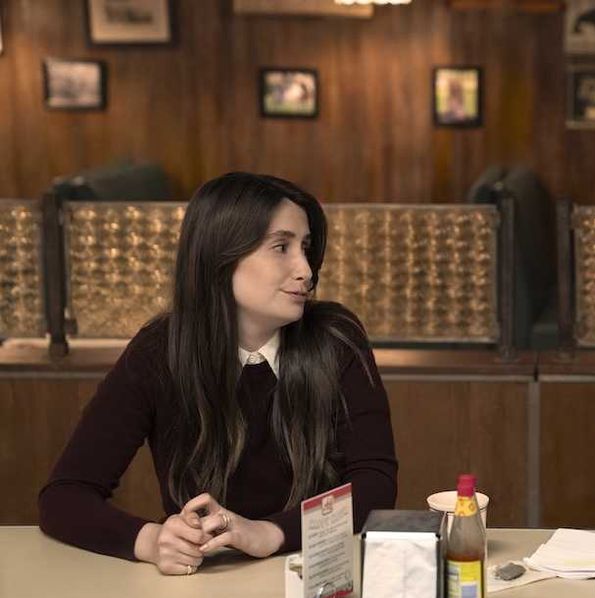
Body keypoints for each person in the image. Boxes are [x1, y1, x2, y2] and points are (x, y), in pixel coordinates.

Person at [39, 172, 398, 575]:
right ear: (221, 256)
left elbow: (374, 485)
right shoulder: (160, 350)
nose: (306, 271)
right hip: (199, 588)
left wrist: (268, 533)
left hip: (313, 576)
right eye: (281, 247)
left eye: (306, 248)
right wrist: (153, 541)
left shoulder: (336, 338)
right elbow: (64, 496)